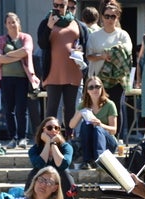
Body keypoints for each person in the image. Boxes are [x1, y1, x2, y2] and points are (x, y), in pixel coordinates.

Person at [37, 0, 89, 139]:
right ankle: (49, 139)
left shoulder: (78, 24)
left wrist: (81, 50)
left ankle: (69, 140)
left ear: (67, 6)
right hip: (53, 73)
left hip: (73, 72)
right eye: (56, 5)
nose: (59, 8)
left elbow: (85, 45)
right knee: (52, 109)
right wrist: (49, 26)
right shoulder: (46, 22)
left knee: (71, 109)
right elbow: (42, 44)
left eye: (62, 5)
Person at [0, 12, 41, 150]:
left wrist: (7, 55)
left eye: (13, 22)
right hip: (6, 78)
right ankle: (12, 137)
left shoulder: (25, 37)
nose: (11, 25)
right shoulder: (1, 40)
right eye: (8, 22)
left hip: (22, 78)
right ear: (5, 25)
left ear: (18, 23)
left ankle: (22, 137)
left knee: (21, 109)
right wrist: (14, 55)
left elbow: (26, 51)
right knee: (9, 109)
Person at [86, 2, 132, 138]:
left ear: (117, 18)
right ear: (102, 17)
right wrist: (103, 56)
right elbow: (89, 56)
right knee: (97, 107)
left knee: (116, 108)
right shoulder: (94, 36)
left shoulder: (123, 35)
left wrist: (114, 52)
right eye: (107, 16)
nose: (110, 19)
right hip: (99, 79)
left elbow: (128, 51)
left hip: (117, 78)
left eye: (113, 16)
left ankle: (116, 138)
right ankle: (97, 137)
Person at [26, 117, 80, 199]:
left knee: (65, 173)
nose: (53, 130)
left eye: (57, 128)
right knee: (33, 173)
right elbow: (39, 164)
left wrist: (54, 144)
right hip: (43, 179)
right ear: (43, 130)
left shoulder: (66, 147)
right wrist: (47, 144)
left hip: (58, 179)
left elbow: (63, 164)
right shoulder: (35, 149)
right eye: (49, 128)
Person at [69, 76, 118, 170]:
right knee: (86, 125)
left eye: (97, 86)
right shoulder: (83, 105)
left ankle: (101, 162)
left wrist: (101, 124)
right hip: (90, 143)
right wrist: (80, 112)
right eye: (91, 87)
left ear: (102, 88)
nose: (94, 89)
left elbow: (114, 130)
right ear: (87, 90)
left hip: (108, 144)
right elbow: (71, 125)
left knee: (97, 128)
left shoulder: (109, 104)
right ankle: (86, 161)